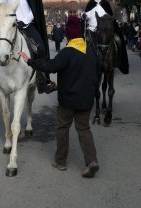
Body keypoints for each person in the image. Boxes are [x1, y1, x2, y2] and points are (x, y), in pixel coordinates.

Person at [18, 16, 99, 177]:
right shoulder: (90, 51)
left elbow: (51, 66)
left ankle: (60, 161)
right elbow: (88, 76)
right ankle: (91, 161)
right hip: (86, 99)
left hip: (68, 100)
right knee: (84, 129)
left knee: (62, 128)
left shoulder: (67, 52)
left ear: (68, 34)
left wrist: (30, 61)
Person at [0, 0, 54, 94]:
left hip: (27, 25)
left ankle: (44, 80)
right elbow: (0, 4)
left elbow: (34, 10)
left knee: (40, 48)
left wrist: (24, 21)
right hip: (8, 25)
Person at [83, 0, 129, 74]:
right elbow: (86, 15)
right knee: (83, 44)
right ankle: (85, 65)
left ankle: (117, 61)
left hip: (105, 30)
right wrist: (84, 16)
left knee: (118, 39)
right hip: (92, 30)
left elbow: (111, 16)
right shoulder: (90, 3)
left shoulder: (106, 4)